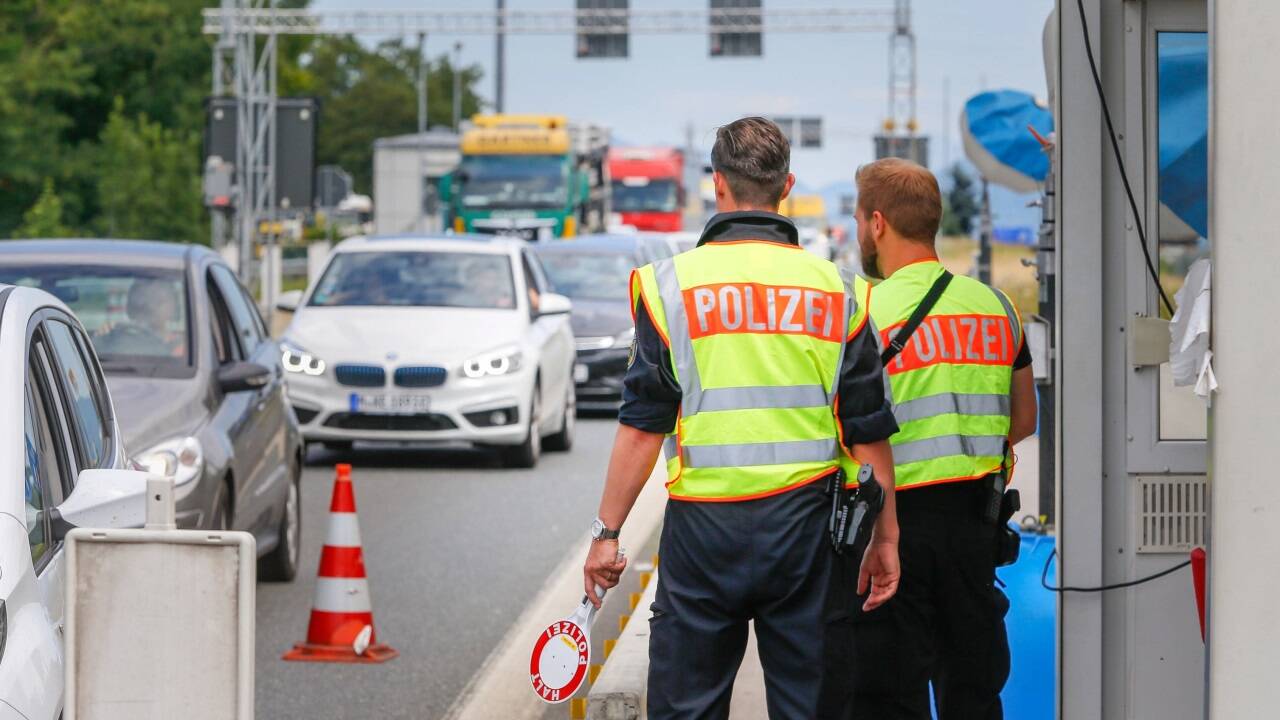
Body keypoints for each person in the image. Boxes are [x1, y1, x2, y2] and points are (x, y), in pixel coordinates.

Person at [580, 117, 902, 720]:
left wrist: (608, 534)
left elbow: (643, 425)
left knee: (687, 709)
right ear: (787, 187)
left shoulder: (669, 286)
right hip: (810, 534)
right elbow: (867, 432)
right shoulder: (838, 290)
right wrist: (886, 539)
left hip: (703, 535)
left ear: (718, 185)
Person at [841, 158, 1038, 719]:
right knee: (973, 691)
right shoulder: (997, 307)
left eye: (859, 218)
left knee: (885, 694)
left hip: (890, 527)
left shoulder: (866, 310)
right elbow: (1023, 419)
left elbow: (846, 426)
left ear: (878, 224)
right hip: (975, 530)